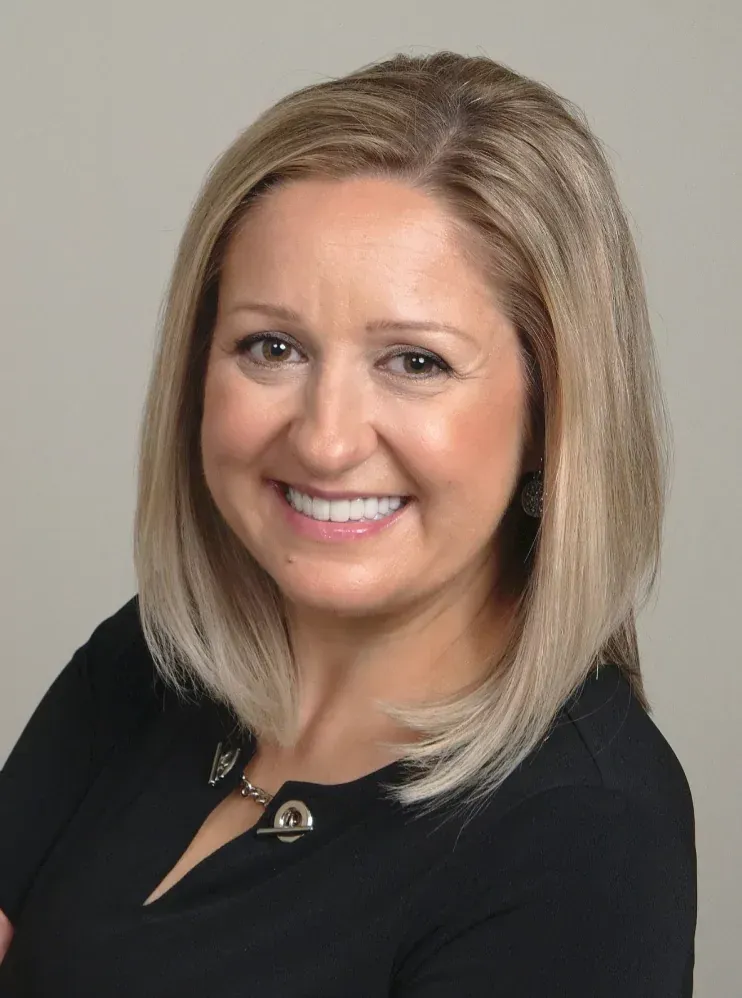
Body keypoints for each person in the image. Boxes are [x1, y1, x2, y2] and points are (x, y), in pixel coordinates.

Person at [0, 50, 696, 995]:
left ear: (552, 415)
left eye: (415, 362)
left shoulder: (582, 835)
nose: (325, 442)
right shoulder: (156, 658)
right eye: (272, 347)